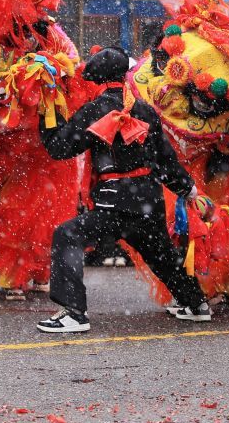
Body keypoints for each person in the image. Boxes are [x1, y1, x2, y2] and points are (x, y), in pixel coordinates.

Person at [36, 47, 211, 333]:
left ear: (97, 79)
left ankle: (74, 313)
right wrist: (190, 192)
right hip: (148, 201)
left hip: (114, 204)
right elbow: (166, 161)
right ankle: (196, 304)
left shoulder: (95, 109)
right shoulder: (144, 110)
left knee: (66, 235)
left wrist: (48, 112)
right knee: (161, 253)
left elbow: (60, 147)